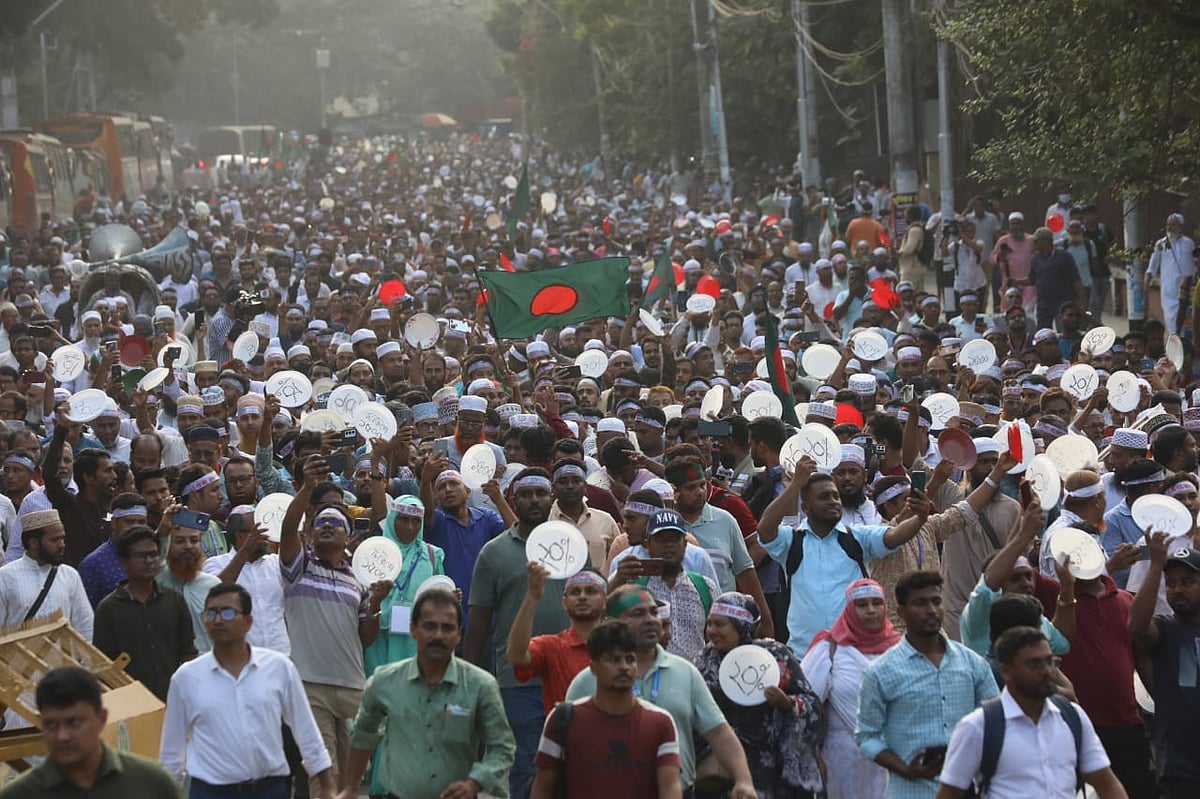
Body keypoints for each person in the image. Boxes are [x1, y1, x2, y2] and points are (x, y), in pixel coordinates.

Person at [565, 585, 758, 798]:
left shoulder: (685, 672)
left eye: (653, 612)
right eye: (638, 614)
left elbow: (719, 733)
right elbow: (568, 750)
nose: (650, 620)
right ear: (612, 622)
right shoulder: (588, 681)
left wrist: (744, 780)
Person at [278, 455, 393, 798]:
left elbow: (366, 639)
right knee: (323, 770)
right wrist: (308, 488)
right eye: (321, 523)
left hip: (352, 685)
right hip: (310, 685)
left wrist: (374, 604)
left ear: (348, 538)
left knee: (354, 776)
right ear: (311, 533)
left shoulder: (356, 580)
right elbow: (287, 529)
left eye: (337, 524)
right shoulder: (298, 567)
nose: (327, 526)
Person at [160, 583, 337, 799]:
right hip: (210, 792)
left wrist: (327, 785)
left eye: (227, 612)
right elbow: (172, 749)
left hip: (269, 789)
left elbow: (305, 729)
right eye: (211, 613)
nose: (217, 620)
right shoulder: (186, 678)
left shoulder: (279, 667)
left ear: (248, 621)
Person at [336, 589, 515, 799]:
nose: (438, 635)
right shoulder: (385, 681)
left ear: (458, 634)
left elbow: (502, 746)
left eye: (447, 628)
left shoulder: (481, 686)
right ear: (413, 629)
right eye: (429, 626)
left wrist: (474, 783)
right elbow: (363, 735)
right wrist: (351, 788)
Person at [463, 467, 570, 799]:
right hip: (517, 679)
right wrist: (468, 674)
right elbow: (478, 620)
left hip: (570, 674)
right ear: (512, 499)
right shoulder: (494, 552)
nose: (534, 500)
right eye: (525, 494)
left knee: (570, 762)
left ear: (551, 497)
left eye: (540, 493)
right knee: (526, 761)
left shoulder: (570, 546)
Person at [756, 458, 932, 654]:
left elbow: (894, 536)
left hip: (855, 654)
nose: (833, 501)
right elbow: (764, 528)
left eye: (835, 496)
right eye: (824, 497)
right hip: (805, 655)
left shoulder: (857, 538)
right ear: (806, 508)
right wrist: (796, 484)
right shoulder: (792, 542)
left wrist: (920, 518)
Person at [935, 627, 1128, 799]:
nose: (1046, 671)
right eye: (1033, 664)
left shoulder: (1072, 717)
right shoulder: (978, 726)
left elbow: (1107, 783)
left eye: (1050, 662)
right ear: (1006, 671)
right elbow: (949, 793)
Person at [856, 571, 999, 799]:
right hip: (911, 791)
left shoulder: (972, 664)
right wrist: (905, 769)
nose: (931, 610)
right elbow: (866, 737)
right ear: (902, 612)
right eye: (920, 603)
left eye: (936, 601)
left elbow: (996, 721)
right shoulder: (881, 672)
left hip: (968, 789)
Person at [529, 619, 682, 799]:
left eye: (630, 659)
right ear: (594, 668)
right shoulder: (562, 719)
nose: (624, 667)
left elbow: (670, 787)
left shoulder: (660, 722)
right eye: (613, 659)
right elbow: (542, 789)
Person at [693, 592, 822, 798]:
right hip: (718, 768)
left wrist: (787, 703)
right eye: (709, 624)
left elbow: (811, 704)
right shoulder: (704, 660)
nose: (711, 631)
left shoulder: (775, 656)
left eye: (720, 624)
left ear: (742, 626)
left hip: (768, 768)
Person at [0, 666, 183, 799]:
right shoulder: (20, 794)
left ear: (101, 719)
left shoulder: (151, 783)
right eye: (51, 725)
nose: (62, 736)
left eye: (74, 723)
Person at [801, 579, 901, 799]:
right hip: (842, 760)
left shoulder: (901, 649)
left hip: (895, 759)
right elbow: (806, 706)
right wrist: (813, 755)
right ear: (849, 608)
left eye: (877, 603)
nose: (871, 610)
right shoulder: (829, 649)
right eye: (862, 604)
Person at [1127, 535, 1200, 799]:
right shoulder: (1166, 629)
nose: (1178, 589)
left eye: (1188, 582)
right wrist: (1155, 567)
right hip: (1181, 768)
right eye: (1171, 584)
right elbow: (1136, 627)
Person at [93, 526, 196, 701]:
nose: (149, 561)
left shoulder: (173, 600)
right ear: (124, 562)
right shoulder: (109, 609)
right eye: (141, 556)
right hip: (130, 702)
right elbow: (103, 666)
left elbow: (188, 652)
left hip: (173, 699)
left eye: (154, 554)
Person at [507, 565, 607, 714]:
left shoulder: (619, 644)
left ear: (605, 600)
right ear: (564, 603)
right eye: (575, 592)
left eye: (591, 591)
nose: (582, 596)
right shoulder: (551, 646)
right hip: (565, 735)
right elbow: (516, 656)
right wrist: (532, 597)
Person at [202, 505, 289, 654]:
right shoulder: (216, 564)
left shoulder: (275, 562)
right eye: (259, 532)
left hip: (279, 654)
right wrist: (245, 551)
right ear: (240, 536)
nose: (266, 537)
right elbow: (216, 594)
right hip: (238, 657)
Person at [0, 508, 93, 639]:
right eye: (55, 540)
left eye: (63, 539)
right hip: (20, 658)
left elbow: (86, 626)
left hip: (63, 659)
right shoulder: (5, 577)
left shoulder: (70, 575)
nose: (62, 545)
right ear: (33, 542)